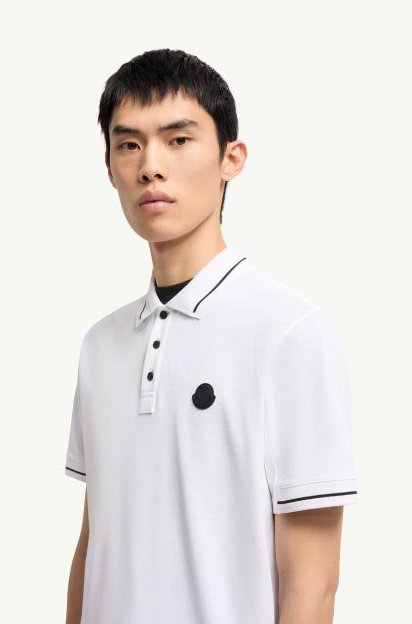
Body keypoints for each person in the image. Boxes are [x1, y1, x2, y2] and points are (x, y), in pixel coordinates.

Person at [64, 48, 358, 624]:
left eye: (178, 139)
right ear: (109, 168)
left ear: (231, 158)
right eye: (129, 145)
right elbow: (93, 545)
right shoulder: (100, 345)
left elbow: (314, 584)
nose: (151, 166)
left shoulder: (290, 333)